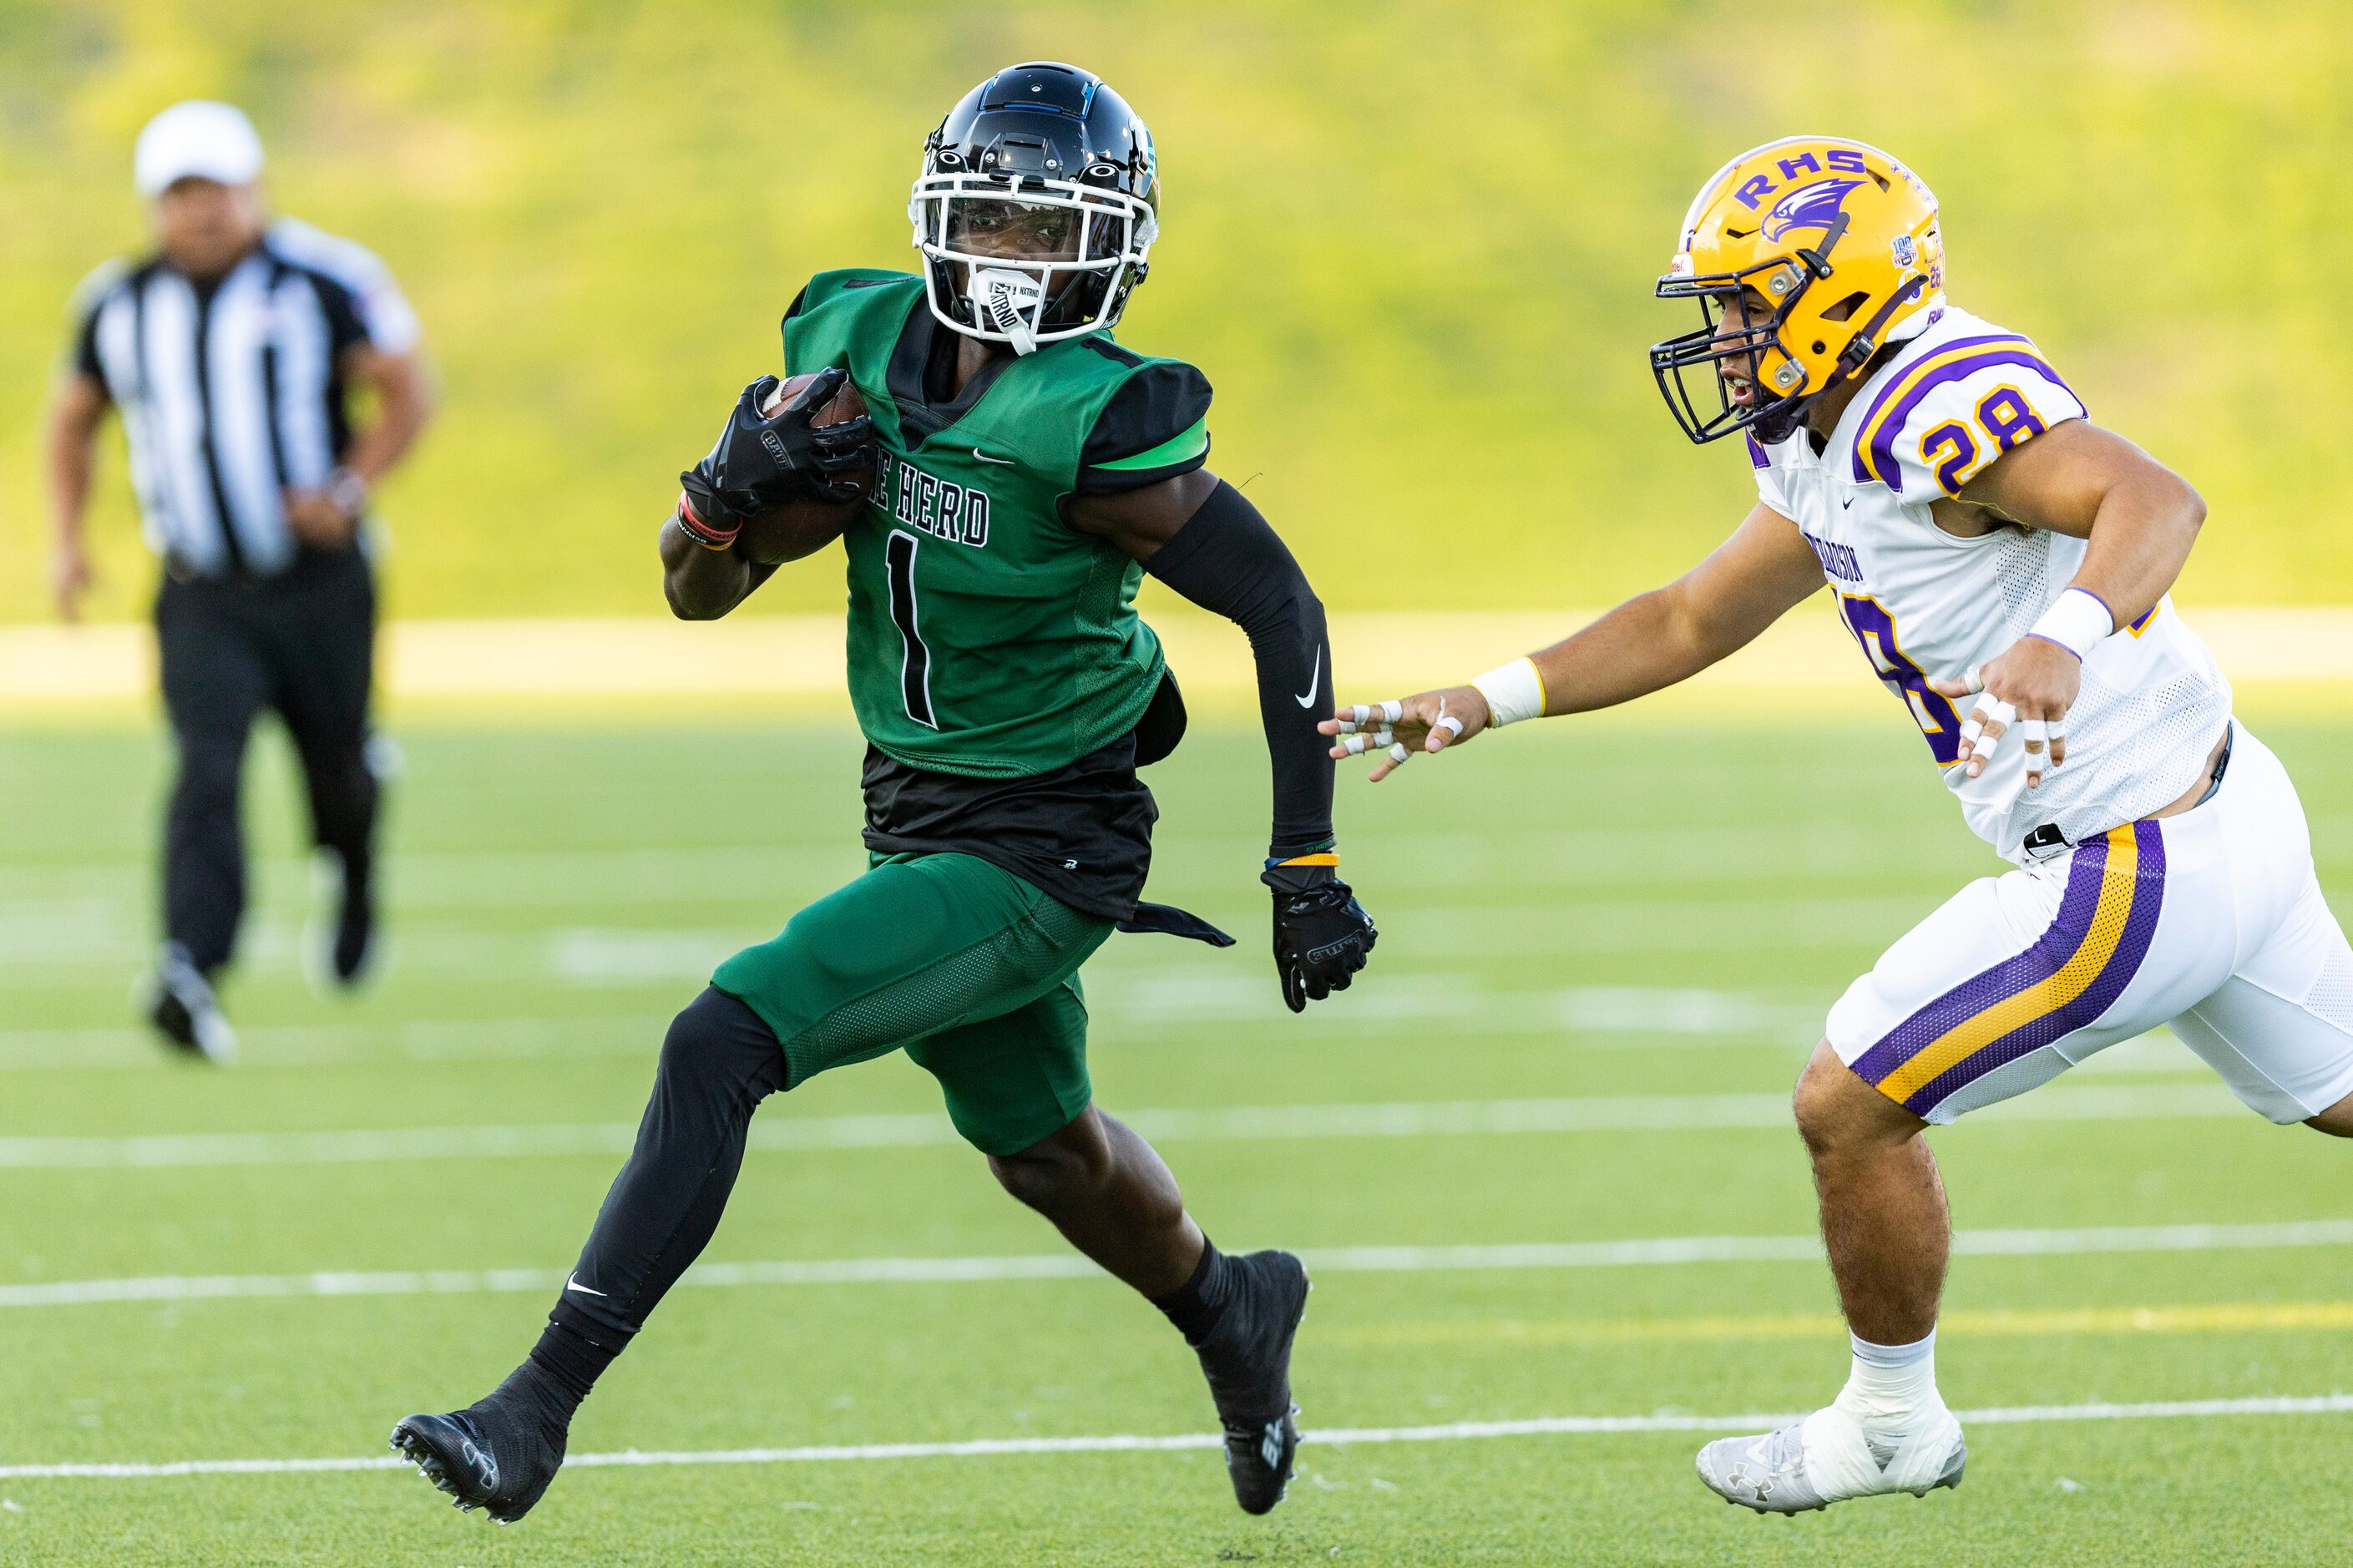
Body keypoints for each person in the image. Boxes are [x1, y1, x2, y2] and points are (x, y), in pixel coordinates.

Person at [391, 61, 1376, 1524]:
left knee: (720, 1035)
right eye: (989, 218)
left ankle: (534, 1405)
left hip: (1046, 839)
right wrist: (715, 501)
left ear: (1109, 248)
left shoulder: (1098, 419)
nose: (1012, 259)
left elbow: (1281, 603)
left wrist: (1304, 858)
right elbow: (698, 596)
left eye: (1047, 234)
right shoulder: (848, 339)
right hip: (912, 803)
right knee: (1046, 1150)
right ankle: (1232, 1306)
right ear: (935, 213)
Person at [1323, 135, 2353, 1513]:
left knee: (1846, 1103)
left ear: (1837, 292)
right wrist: (1484, 698)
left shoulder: (1925, 402)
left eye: (1746, 302)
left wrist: (2059, 631)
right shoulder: (1818, 426)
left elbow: (2152, 499)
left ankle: (1885, 1424)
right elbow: (1693, 614)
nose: (1722, 334)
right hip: (2224, 815)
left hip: (2131, 859)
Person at [44, 99, 434, 1059]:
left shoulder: (321, 279)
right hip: (201, 589)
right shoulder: (119, 301)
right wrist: (66, 539)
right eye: (179, 194)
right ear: (153, 204)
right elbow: (71, 416)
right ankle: (190, 965)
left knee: (334, 766)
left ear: (252, 191)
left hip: (317, 583)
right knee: (205, 768)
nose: (200, 213)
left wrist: (349, 488)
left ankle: (352, 861)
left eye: (215, 190)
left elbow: (406, 389)